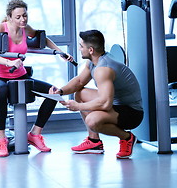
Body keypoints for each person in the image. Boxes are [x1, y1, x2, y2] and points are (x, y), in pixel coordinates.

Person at [0, 0, 75, 157]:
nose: (23, 19)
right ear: (9, 17)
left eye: (25, 16)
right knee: (2, 90)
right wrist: (8, 61)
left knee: (54, 93)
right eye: (18, 17)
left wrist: (60, 52)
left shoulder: (25, 28)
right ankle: (2, 139)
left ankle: (34, 134)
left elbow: (44, 39)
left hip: (21, 77)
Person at [50, 29, 143, 159]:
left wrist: (78, 107)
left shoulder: (103, 69)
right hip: (116, 104)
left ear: (91, 50)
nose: (80, 49)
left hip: (132, 113)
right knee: (80, 93)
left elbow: (105, 103)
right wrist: (60, 91)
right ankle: (94, 142)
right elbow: (79, 81)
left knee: (92, 121)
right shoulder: (95, 61)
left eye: (81, 46)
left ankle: (127, 137)